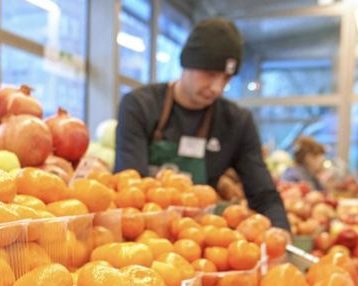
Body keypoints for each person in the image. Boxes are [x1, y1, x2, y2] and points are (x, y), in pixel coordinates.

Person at [115, 18, 289, 230]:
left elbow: (263, 195)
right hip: (141, 233)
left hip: (199, 237)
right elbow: (129, 185)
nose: (217, 88)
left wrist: (281, 234)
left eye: (226, 78)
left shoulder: (237, 122)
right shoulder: (139, 106)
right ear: (187, 63)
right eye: (210, 74)